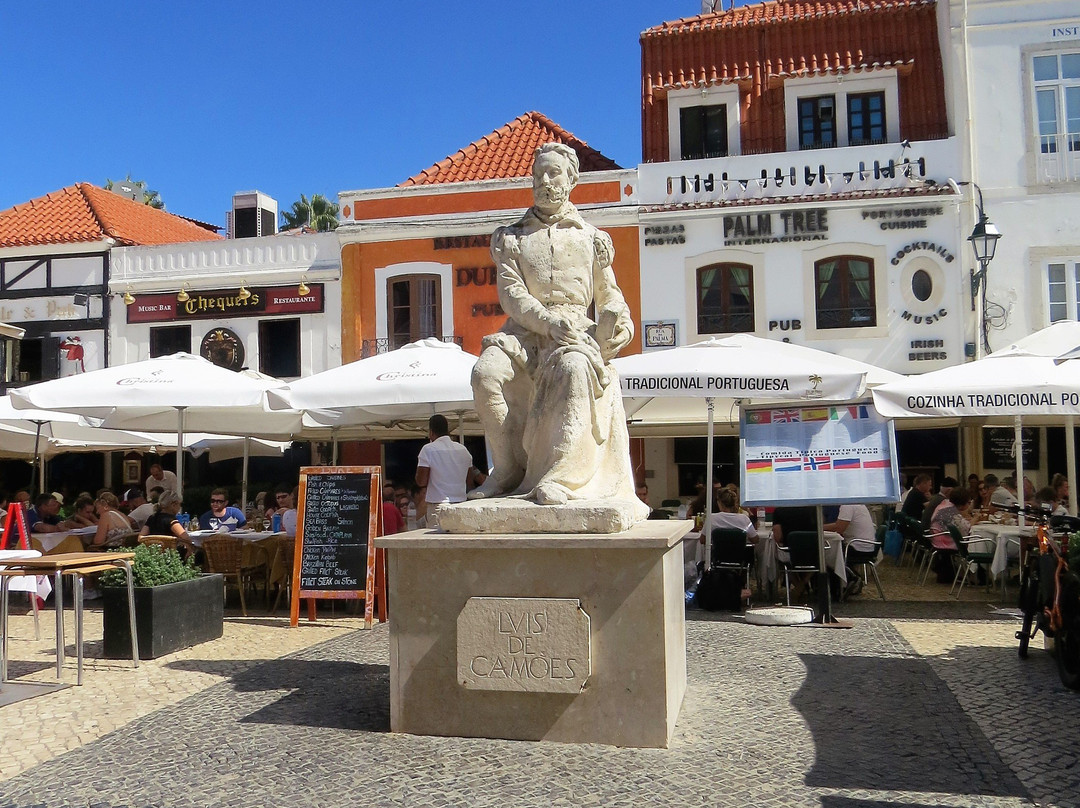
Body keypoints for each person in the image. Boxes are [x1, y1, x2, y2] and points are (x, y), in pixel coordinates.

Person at [467, 143, 645, 516]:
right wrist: (546, 322)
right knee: (485, 374)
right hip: (525, 331)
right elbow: (512, 294)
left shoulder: (590, 238)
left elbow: (610, 296)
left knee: (574, 368)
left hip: (576, 330)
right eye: (538, 175)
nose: (544, 181)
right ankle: (507, 470)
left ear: (571, 179)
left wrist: (618, 329)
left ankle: (561, 476)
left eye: (553, 174)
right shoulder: (511, 238)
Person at [415, 414, 475, 527]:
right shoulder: (463, 450)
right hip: (461, 505)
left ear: (431, 432)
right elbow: (470, 482)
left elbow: (421, 481)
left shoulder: (428, 449)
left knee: (437, 543)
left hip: (438, 506)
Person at [140, 491, 194, 556]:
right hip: (171, 556)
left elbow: (141, 537)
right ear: (173, 504)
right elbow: (186, 538)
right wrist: (177, 540)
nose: (180, 507)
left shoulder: (152, 518)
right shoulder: (171, 520)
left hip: (154, 555)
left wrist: (152, 541)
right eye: (180, 504)